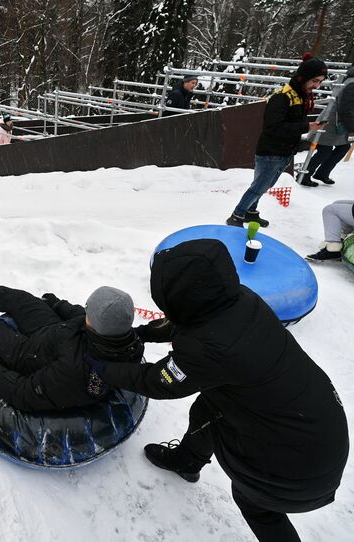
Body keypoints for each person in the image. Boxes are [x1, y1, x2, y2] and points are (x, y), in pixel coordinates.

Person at [88, 239, 348, 542]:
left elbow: (157, 381)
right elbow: (183, 323)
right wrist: (140, 335)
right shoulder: (237, 299)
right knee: (210, 408)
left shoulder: (211, 350)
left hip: (296, 467)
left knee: (255, 504)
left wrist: (103, 368)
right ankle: (187, 461)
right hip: (317, 427)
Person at [0, 269, 144, 412]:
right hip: (53, 330)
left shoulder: (75, 370)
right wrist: (56, 304)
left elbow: (25, 394)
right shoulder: (113, 335)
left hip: (28, 355)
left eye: (89, 311)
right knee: (22, 300)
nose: (85, 312)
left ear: (95, 324)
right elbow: (77, 314)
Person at [226, 54, 328, 227]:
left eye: (320, 82)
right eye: (314, 80)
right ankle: (237, 215)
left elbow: (292, 123)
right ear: (303, 77)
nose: (316, 85)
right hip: (271, 152)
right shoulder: (282, 97)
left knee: (264, 185)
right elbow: (273, 127)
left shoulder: (300, 96)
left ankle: (250, 212)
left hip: (284, 151)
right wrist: (306, 127)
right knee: (259, 187)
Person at [305, 64, 354, 185]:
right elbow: (346, 107)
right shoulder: (352, 82)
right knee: (324, 149)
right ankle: (304, 175)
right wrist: (352, 127)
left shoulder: (349, 77)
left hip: (340, 120)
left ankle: (322, 173)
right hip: (333, 120)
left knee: (343, 147)